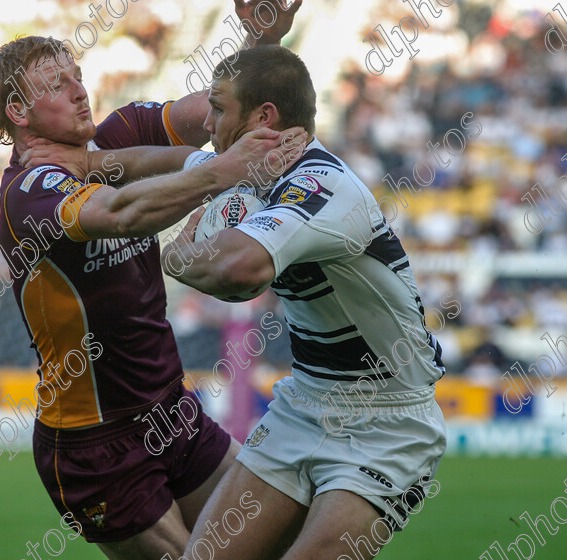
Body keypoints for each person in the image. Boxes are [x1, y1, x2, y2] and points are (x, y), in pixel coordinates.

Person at [0, 4, 304, 559]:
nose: (80, 91)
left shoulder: (118, 133)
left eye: (78, 76)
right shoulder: (27, 192)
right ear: (18, 111)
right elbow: (124, 212)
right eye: (57, 85)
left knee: (283, 527)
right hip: (94, 441)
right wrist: (221, 172)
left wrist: (259, 35)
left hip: (172, 411)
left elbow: (220, 113)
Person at [162, 45, 447, 560]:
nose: (206, 123)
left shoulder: (324, 184)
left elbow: (237, 269)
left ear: (263, 117)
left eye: (218, 108)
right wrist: (86, 163)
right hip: (304, 406)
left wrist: (185, 256)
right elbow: (158, 166)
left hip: (387, 419)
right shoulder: (245, 175)